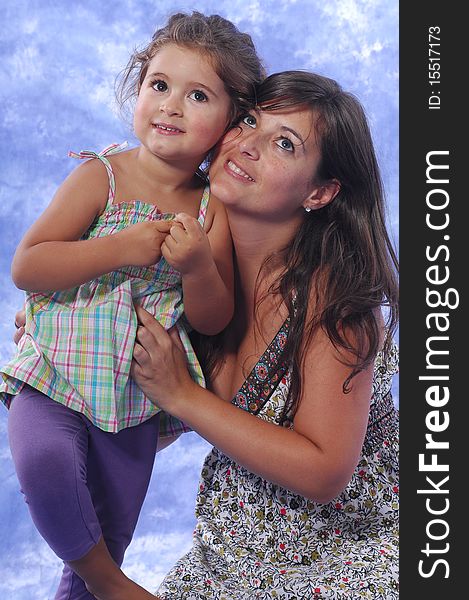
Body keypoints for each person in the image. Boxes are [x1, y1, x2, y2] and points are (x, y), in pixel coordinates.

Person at [1, 12, 264, 600]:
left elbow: (213, 320)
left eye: (197, 95)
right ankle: (110, 583)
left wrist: (196, 267)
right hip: (55, 370)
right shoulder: (104, 176)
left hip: (134, 397)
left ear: (229, 121)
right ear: (140, 88)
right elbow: (30, 265)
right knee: (44, 464)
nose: (170, 105)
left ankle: (95, 582)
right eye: (159, 85)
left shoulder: (209, 209)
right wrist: (118, 248)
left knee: (109, 526)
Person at [129, 70, 400, 599]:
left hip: (359, 545)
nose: (248, 145)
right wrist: (65, 335)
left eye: (283, 143)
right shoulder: (184, 262)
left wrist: (182, 396)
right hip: (236, 548)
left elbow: (325, 472)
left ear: (320, 192)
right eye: (249, 120)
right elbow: (144, 418)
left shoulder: (335, 303)